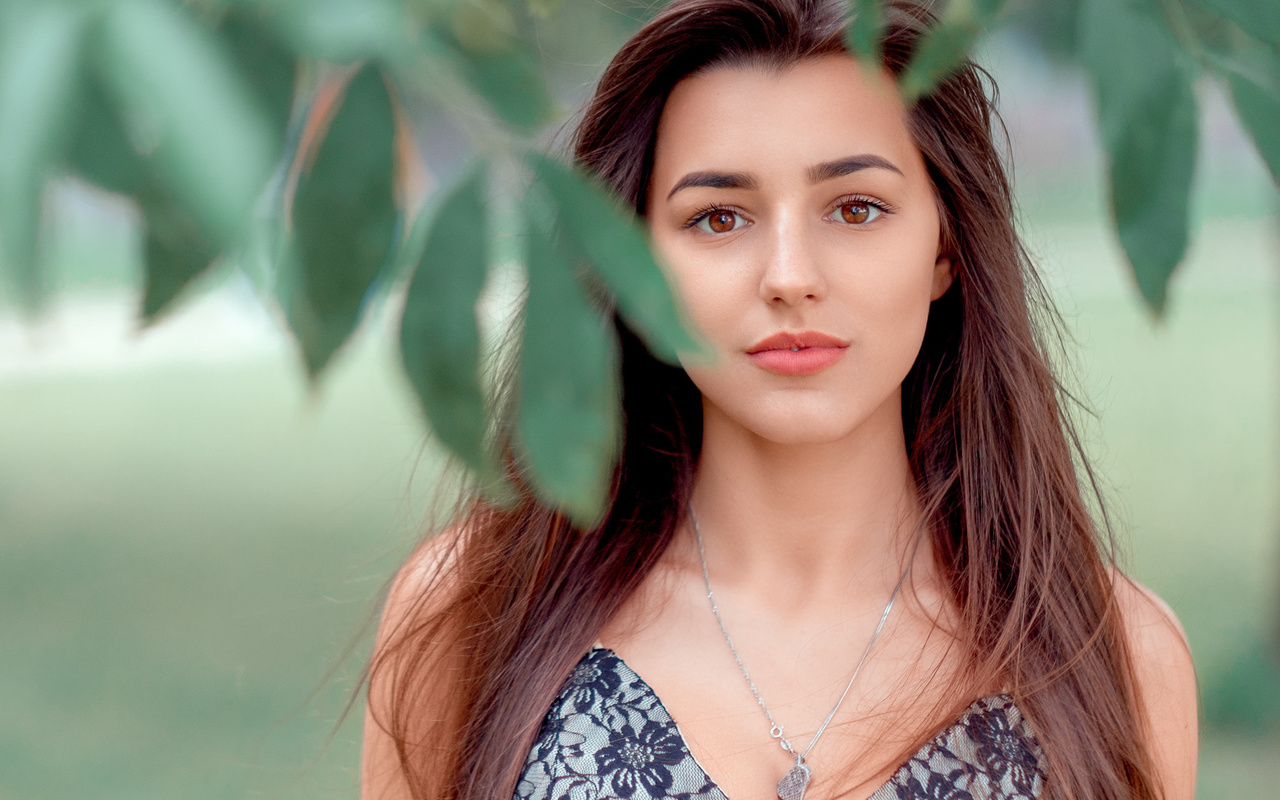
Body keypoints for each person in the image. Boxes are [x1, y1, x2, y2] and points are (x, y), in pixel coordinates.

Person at [361, 0, 1198, 798]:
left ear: (944, 248)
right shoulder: (472, 609)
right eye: (719, 218)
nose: (790, 277)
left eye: (856, 208)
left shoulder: (1113, 652)